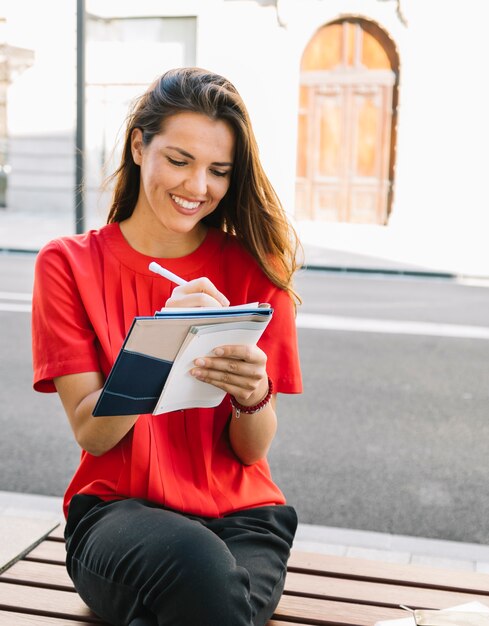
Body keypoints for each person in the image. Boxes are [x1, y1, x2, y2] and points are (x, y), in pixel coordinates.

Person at [31, 67, 302, 626]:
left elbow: (251, 452)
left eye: (219, 171)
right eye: (179, 160)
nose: (197, 187)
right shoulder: (68, 264)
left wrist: (253, 395)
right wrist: (162, 340)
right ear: (138, 145)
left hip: (245, 517)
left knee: (207, 600)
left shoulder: (257, 267)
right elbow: (93, 433)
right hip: (115, 512)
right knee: (201, 571)